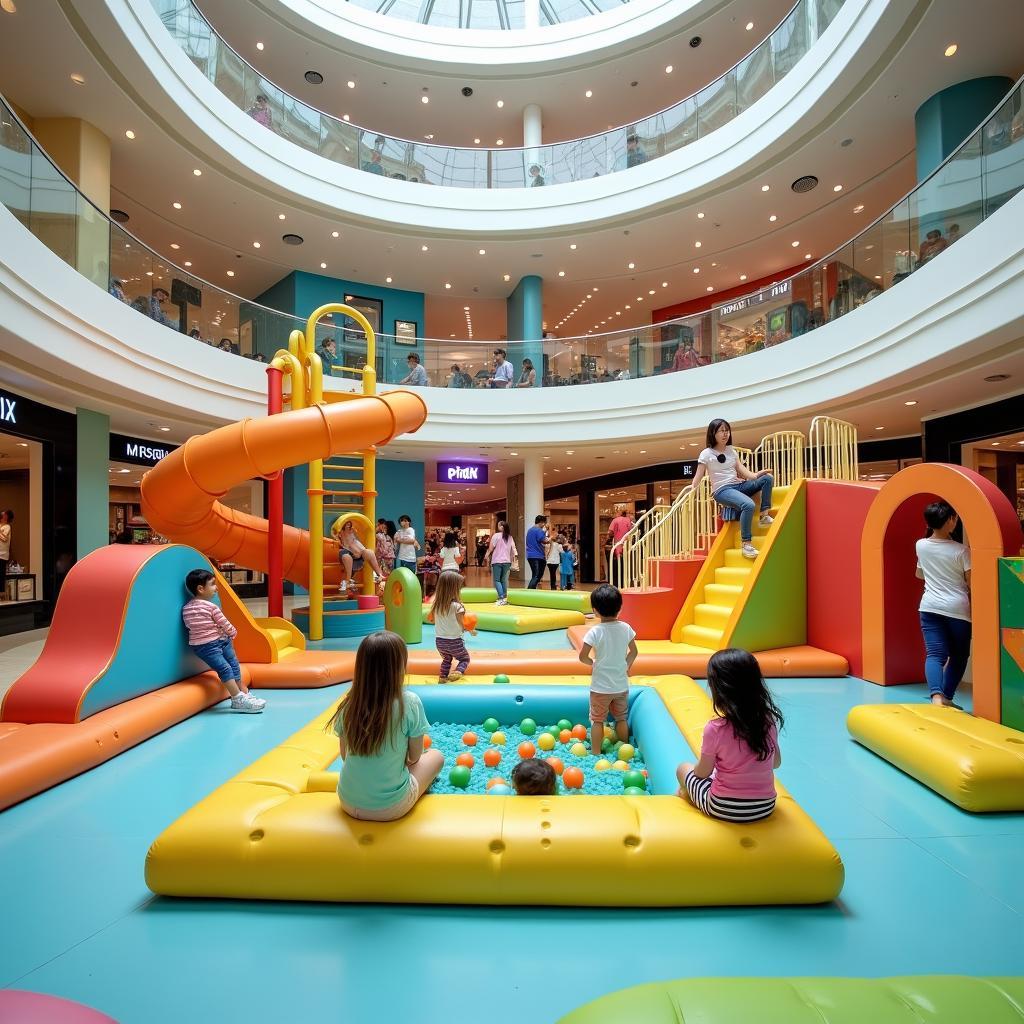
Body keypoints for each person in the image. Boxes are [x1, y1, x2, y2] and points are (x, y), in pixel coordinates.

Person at [327, 631, 444, 821]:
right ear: (399, 668)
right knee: (436, 757)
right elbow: (414, 758)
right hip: (390, 807)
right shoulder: (409, 702)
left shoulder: (350, 703)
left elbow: (344, 754)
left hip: (347, 800)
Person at [676, 648, 782, 823]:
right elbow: (776, 763)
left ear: (719, 690)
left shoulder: (716, 728)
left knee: (683, 768)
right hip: (765, 807)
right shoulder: (768, 721)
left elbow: (702, 772)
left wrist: (696, 772)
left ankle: (685, 798)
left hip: (723, 808)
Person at [182, 569, 266, 712]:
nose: (216, 588)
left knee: (232, 665)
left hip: (205, 645)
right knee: (227, 667)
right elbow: (224, 623)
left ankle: (243, 693)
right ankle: (237, 699)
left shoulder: (186, 608)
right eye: (213, 584)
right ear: (201, 589)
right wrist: (233, 632)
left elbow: (191, 627)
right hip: (213, 644)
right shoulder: (212, 607)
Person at [690, 418, 773, 561]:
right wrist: (691, 493)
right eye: (721, 430)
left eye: (727, 430)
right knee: (748, 505)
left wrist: (758, 475)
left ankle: (764, 516)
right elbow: (697, 478)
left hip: (738, 485)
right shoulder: (706, 454)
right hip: (722, 490)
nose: (725, 434)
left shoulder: (731, 451)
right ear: (713, 433)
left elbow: (745, 472)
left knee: (768, 478)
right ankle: (746, 544)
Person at [916, 500, 972, 709]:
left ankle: (936, 698)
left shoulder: (920, 545)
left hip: (929, 607)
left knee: (935, 654)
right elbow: (971, 583)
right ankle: (947, 697)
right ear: (950, 520)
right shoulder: (962, 551)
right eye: (955, 517)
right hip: (957, 610)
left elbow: (919, 573)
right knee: (959, 655)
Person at [578, 584, 638, 755]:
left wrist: (593, 662)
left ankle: (596, 753)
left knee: (597, 721)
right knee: (621, 718)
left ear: (595, 611)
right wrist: (626, 666)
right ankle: (624, 748)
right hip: (620, 686)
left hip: (600, 688)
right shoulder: (626, 628)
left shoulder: (595, 632)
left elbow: (582, 657)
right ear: (620, 608)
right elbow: (634, 652)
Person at [431, 569, 476, 683]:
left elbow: (433, 620)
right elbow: (462, 622)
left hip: (439, 641)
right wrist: (470, 630)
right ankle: (457, 672)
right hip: (455, 641)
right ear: (454, 589)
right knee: (464, 658)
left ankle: (443, 677)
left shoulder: (436, 606)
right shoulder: (457, 606)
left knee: (447, 659)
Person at [333, 519, 384, 595]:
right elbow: (342, 541)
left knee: (369, 552)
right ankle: (347, 580)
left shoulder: (353, 532)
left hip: (358, 552)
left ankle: (379, 574)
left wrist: (359, 551)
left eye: (349, 524)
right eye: (346, 524)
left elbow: (357, 542)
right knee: (347, 557)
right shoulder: (340, 533)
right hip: (347, 552)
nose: (348, 525)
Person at [486, 520, 517, 605]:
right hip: (507, 561)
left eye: (498, 525)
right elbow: (513, 550)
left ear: (501, 527)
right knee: (503, 580)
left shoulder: (496, 536)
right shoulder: (510, 537)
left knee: (497, 580)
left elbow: (491, 548)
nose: (497, 527)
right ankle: (505, 597)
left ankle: (501, 597)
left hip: (497, 561)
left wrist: (487, 555)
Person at [605, 507, 633, 581]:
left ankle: (617, 580)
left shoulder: (615, 520)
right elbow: (631, 531)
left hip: (617, 544)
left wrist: (610, 536)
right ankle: (625, 580)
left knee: (616, 564)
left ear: (619, 513)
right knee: (625, 563)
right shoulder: (628, 520)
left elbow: (610, 532)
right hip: (626, 544)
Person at [525, 514, 548, 590]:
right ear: (541, 522)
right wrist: (551, 538)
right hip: (538, 556)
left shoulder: (530, 530)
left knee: (535, 575)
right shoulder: (539, 530)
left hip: (530, 555)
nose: (544, 525)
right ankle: (529, 591)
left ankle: (532, 590)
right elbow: (544, 540)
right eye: (544, 523)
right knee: (537, 575)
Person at [0, 509, 12, 600]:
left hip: (2, 554)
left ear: (6, 517)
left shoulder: (7, 527)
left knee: (1, 574)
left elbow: (4, 538)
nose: (1, 514)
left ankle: (1, 595)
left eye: (3, 514)